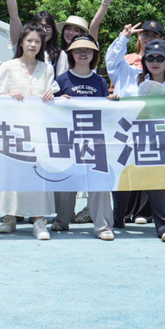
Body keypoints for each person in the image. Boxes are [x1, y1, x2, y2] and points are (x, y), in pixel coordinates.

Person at [105, 28, 165, 242]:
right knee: (118, 180)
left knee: (157, 183)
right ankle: (117, 218)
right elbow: (111, 62)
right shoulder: (130, 76)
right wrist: (123, 38)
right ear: (144, 60)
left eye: (160, 58)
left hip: (155, 143)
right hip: (126, 139)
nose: (155, 62)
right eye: (150, 58)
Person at [0, 21, 60, 240]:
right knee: (12, 174)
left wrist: (52, 96)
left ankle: (38, 220)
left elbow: (53, 95)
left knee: (38, 175)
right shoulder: (8, 66)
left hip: (38, 130)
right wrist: (7, 96)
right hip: (12, 129)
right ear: (21, 42)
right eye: (29, 40)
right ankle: (9, 216)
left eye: (37, 41)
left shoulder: (47, 69)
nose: (33, 45)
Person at [51, 34, 115, 240]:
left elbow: (107, 112)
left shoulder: (100, 81)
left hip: (95, 139)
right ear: (71, 54)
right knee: (65, 180)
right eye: (78, 50)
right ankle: (62, 219)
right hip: (68, 138)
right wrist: (57, 100)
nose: (83, 54)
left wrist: (113, 101)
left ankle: (103, 226)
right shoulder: (61, 80)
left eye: (87, 50)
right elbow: (49, 109)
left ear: (94, 55)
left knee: (99, 182)